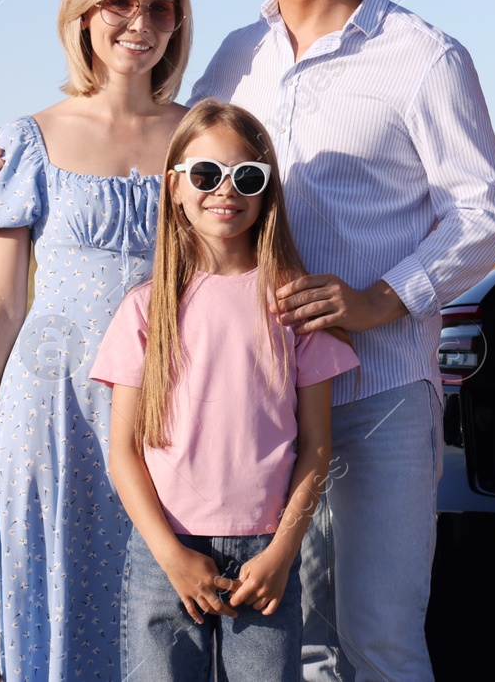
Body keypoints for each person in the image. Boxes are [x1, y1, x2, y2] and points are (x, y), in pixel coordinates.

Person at [0, 0, 495, 681]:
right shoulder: (235, 59)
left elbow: (483, 215)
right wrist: (16, 156)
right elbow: (162, 145)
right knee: (300, 646)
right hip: (250, 414)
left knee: (378, 635)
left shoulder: (423, 56)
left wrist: (381, 298)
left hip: (376, 394)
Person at [0, 0, 194, 682]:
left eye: (158, 5)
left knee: (162, 625)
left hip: (163, 412)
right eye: (118, 1)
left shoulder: (201, 136)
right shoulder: (28, 140)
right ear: (83, 14)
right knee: (51, 615)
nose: (138, 21)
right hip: (48, 413)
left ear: (179, 22)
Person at [91, 100, 359, 681]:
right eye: (206, 175)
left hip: (265, 555)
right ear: (176, 188)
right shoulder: (146, 309)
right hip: (166, 551)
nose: (225, 191)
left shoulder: (292, 307)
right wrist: (171, 556)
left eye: (247, 176)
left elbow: (316, 447)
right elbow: (123, 453)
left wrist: (283, 553)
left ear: (267, 192)